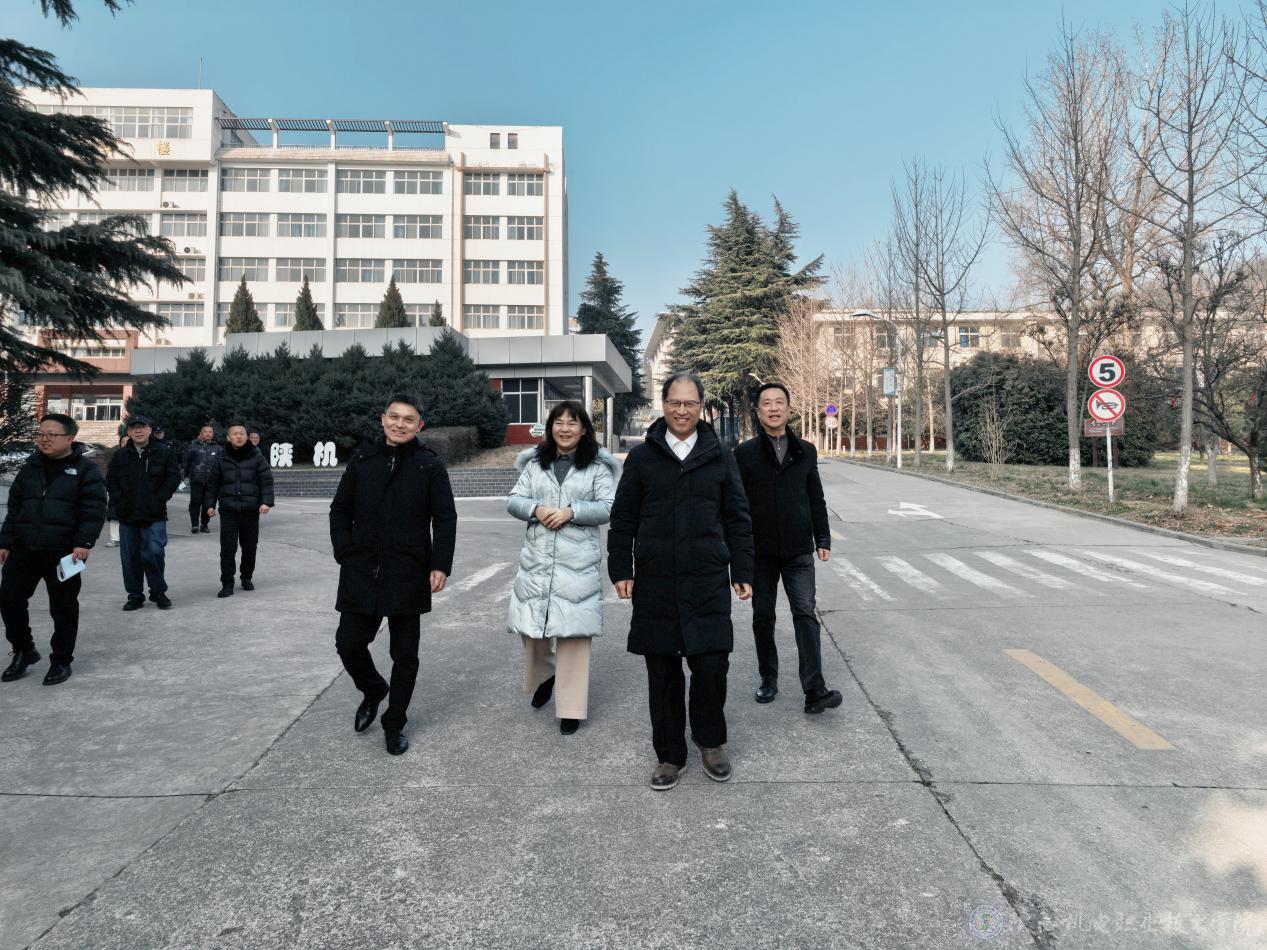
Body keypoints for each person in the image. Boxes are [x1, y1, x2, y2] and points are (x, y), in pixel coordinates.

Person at [608, 373, 754, 790]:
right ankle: (670, 754)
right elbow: (623, 517)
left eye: (690, 403)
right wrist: (621, 568)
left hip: (707, 578)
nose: (682, 410)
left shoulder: (720, 455)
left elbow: (737, 517)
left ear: (701, 407)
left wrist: (743, 570)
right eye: (675, 402)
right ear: (664, 404)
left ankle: (710, 742)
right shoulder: (642, 457)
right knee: (663, 670)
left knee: (711, 665)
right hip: (656, 581)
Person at [330, 393, 457, 756]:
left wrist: (439, 564)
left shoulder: (429, 465)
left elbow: (444, 518)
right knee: (348, 643)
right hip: (361, 568)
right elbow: (340, 510)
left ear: (420, 426)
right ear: (383, 419)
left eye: (409, 419)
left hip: (408, 570)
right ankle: (373, 688)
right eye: (394, 417)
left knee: (404, 655)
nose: (400, 424)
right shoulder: (362, 460)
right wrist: (344, 551)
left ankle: (394, 723)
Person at [507, 400, 620, 735]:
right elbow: (514, 500)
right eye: (559, 422)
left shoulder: (597, 467)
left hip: (578, 562)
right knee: (532, 630)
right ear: (550, 428)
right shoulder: (535, 464)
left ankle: (570, 709)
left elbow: (609, 506)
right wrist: (537, 509)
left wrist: (573, 511)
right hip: (537, 560)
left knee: (573, 635)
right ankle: (546, 674)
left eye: (573, 422)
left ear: (584, 429)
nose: (565, 428)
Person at [735, 383, 842, 714]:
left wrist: (822, 538)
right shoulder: (744, 454)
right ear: (758, 412)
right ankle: (768, 678)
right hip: (760, 552)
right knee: (763, 616)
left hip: (798, 550)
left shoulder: (805, 451)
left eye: (779, 402)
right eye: (766, 403)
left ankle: (814, 689)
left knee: (805, 613)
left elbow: (815, 497)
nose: (773, 408)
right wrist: (738, 556)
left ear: (789, 409)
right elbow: (736, 506)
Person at [0, 414, 107, 685]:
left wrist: (84, 542)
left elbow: (93, 509)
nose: (44, 439)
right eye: (40, 434)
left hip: (64, 551)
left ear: (69, 438)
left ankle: (61, 660)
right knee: (9, 600)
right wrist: (5, 541)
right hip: (24, 547)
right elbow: (15, 508)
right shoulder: (30, 467)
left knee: (63, 607)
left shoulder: (85, 470)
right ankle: (24, 650)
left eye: (51, 434)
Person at [107, 415, 180, 610]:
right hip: (127, 514)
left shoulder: (164, 452)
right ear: (128, 432)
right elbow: (111, 481)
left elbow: (173, 477)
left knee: (154, 552)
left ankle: (158, 592)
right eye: (134, 428)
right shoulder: (120, 455)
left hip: (154, 514)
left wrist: (160, 498)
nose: (138, 431)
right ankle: (135, 596)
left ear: (150, 430)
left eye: (142, 427)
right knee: (130, 558)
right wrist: (119, 502)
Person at [205, 423, 275, 597]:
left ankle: (246, 577)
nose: (239, 436)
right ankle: (227, 583)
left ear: (246, 436)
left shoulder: (256, 455)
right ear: (228, 438)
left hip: (250, 509)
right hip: (228, 510)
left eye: (242, 433)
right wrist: (210, 505)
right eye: (235, 434)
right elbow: (213, 483)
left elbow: (266, 480)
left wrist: (266, 502)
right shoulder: (222, 457)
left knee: (249, 547)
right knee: (228, 548)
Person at [183, 424, 221, 534]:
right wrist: (183, 477)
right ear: (201, 433)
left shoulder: (218, 448)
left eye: (210, 431)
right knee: (195, 502)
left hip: (212, 481)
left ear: (213, 434)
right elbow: (186, 462)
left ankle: (204, 524)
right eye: (205, 431)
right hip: (196, 479)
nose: (208, 433)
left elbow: (221, 465)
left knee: (208, 504)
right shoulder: (193, 446)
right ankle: (195, 524)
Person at [103, 435, 130, 547]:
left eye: (128, 441)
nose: (125, 443)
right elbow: (110, 476)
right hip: (117, 491)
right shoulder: (115, 457)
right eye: (123, 441)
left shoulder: (139, 457)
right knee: (114, 516)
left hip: (132, 493)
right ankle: (115, 539)